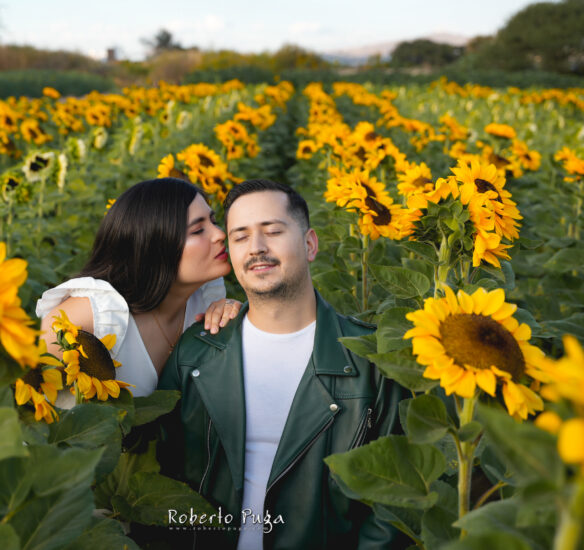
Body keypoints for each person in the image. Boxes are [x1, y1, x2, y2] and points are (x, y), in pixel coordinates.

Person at [157, 179, 407, 549]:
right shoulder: (195, 353)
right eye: (240, 237)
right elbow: (160, 478)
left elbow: (392, 507)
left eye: (273, 231)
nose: (256, 247)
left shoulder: (372, 361)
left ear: (310, 245)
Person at [36, 177, 241, 403]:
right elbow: (26, 394)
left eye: (214, 221)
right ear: (155, 245)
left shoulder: (205, 297)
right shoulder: (92, 314)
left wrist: (237, 320)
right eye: (198, 230)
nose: (220, 234)